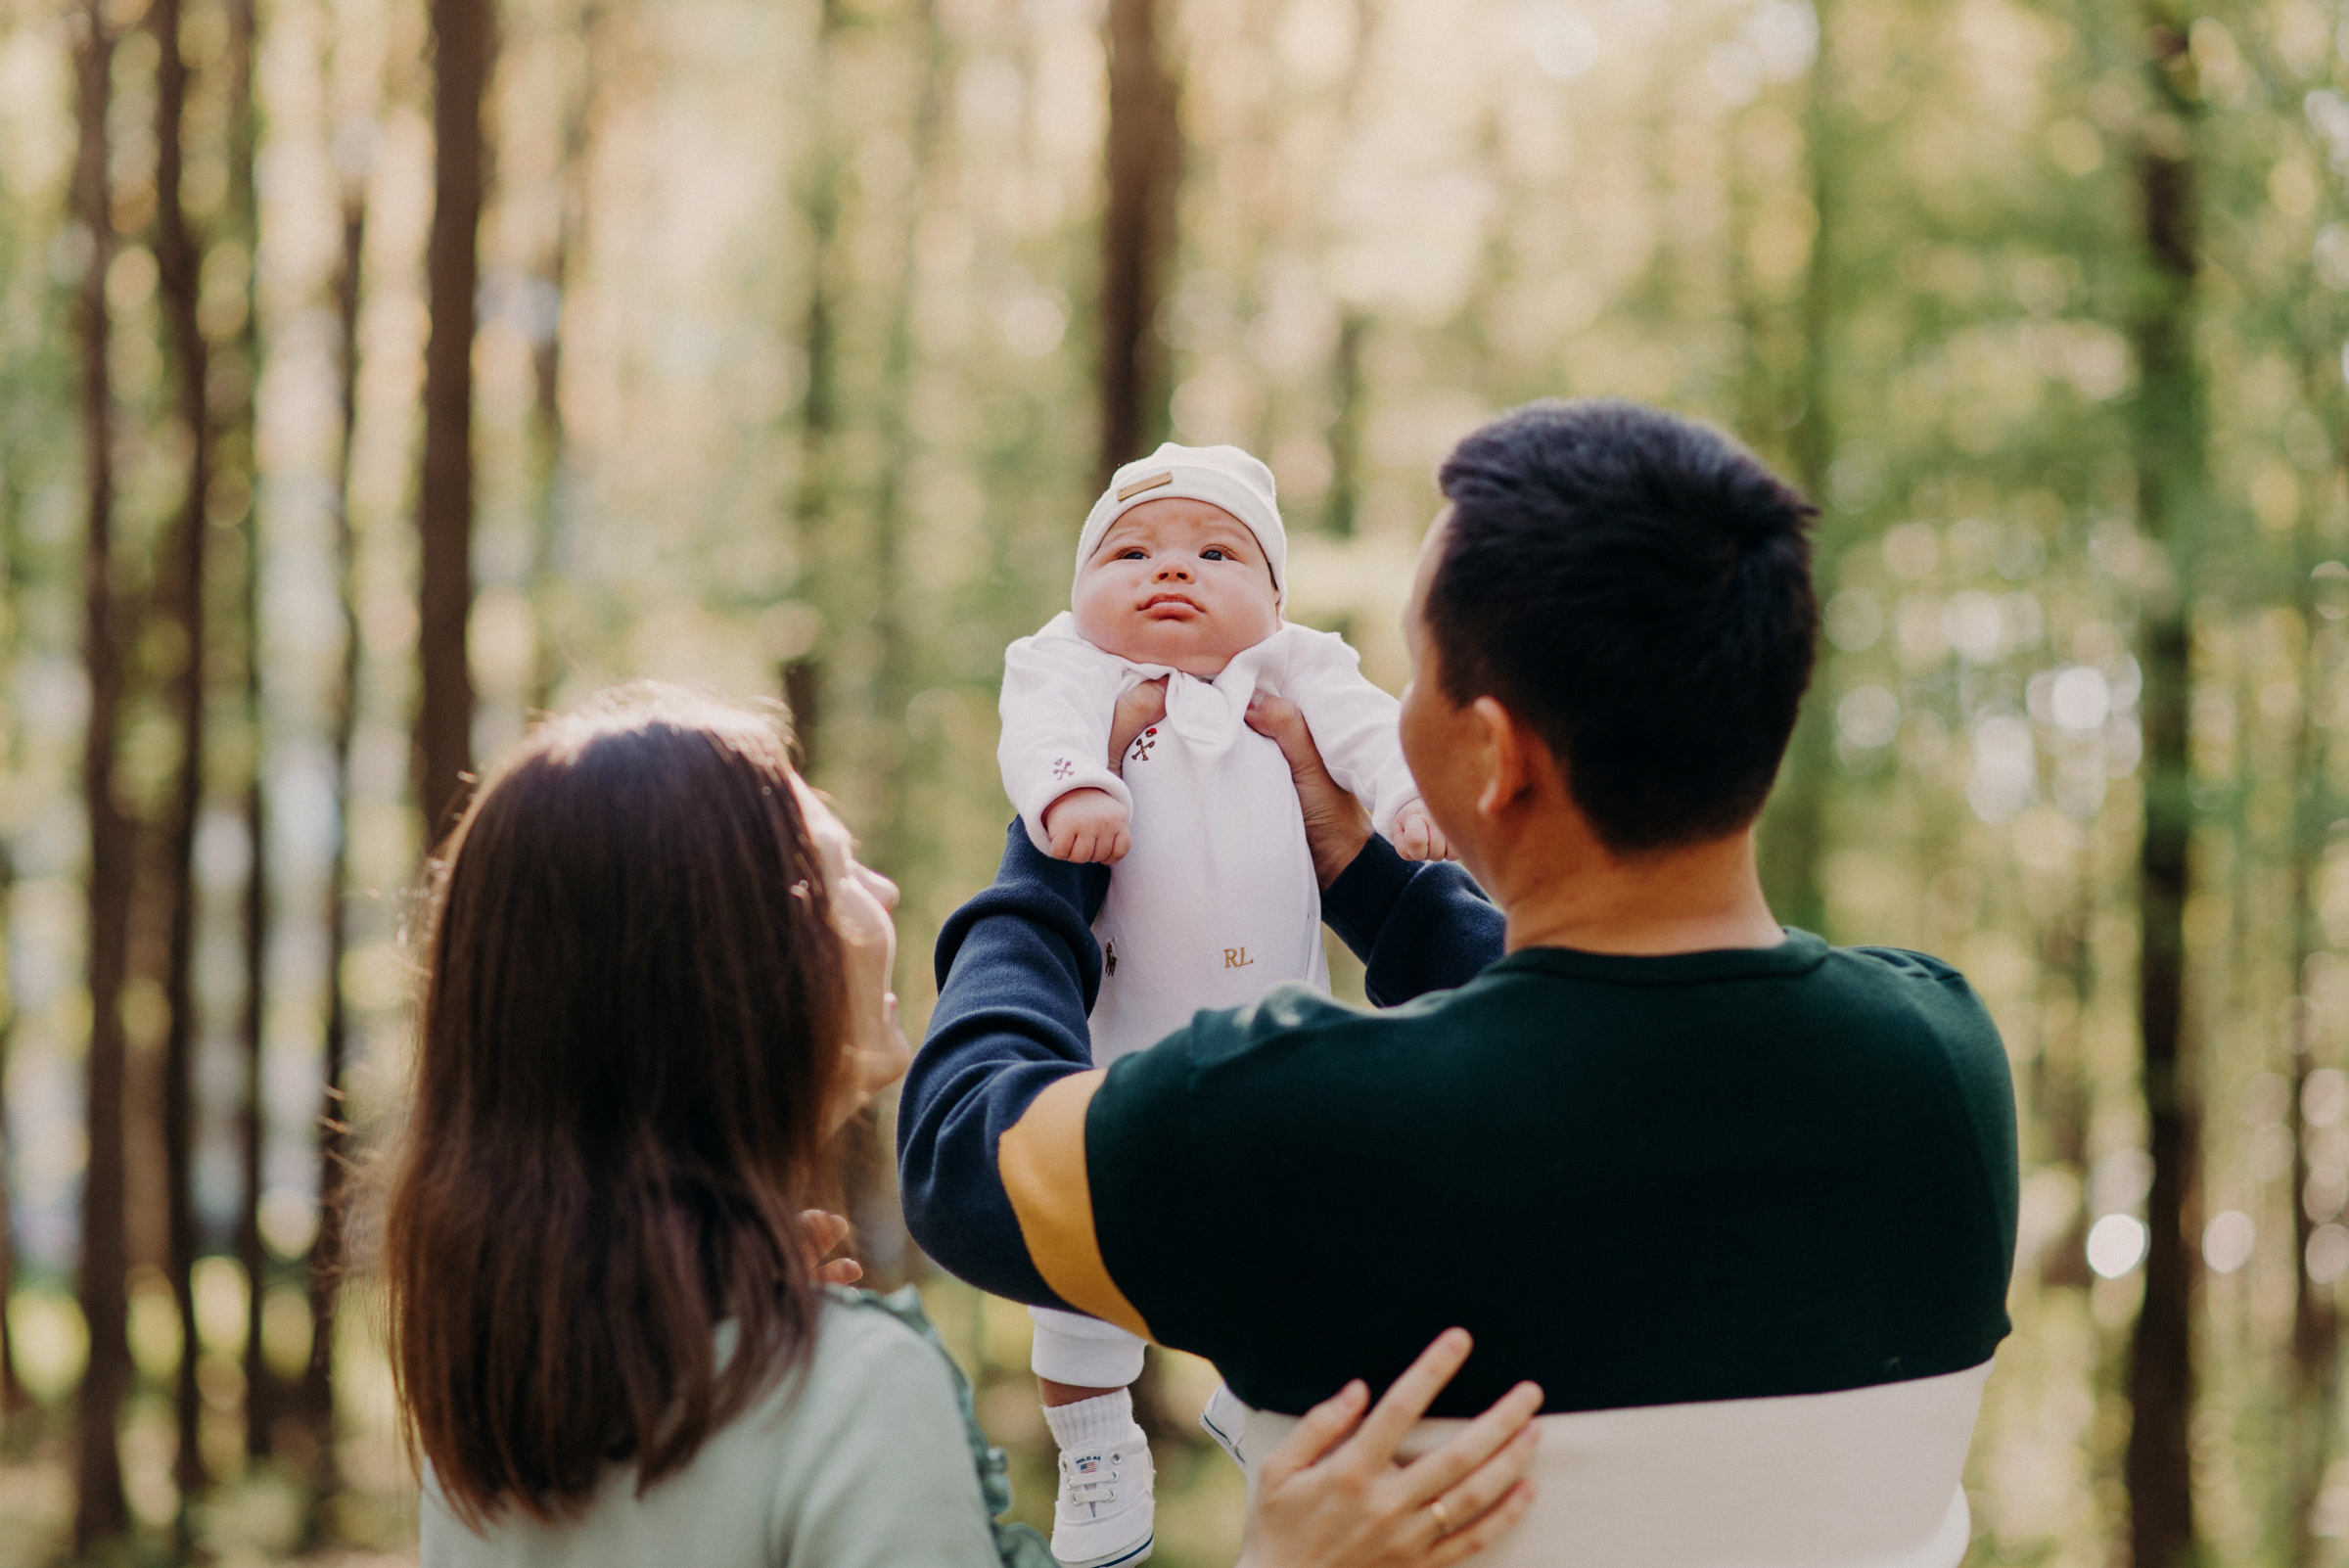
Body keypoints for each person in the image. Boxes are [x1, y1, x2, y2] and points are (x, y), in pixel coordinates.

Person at [899, 399, 2021, 1567]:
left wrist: (1051, 860)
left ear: (1489, 751)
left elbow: (958, 1150)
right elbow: (1625, 1042)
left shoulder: (1295, 1123)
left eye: (1417, 671)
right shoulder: (1942, 1058)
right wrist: (1372, 884)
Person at [384, 684, 1542, 1568]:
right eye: (829, 866)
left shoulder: (490, 1400)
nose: (882, 892)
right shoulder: (841, 1391)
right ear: (728, 968)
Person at [997, 440, 1440, 1567]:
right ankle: (1096, 1449)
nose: (1170, 571)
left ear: (1276, 598)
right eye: (1130, 552)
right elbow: (1036, 735)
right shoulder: (1070, 665)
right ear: (1083, 587)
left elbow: (1369, 732)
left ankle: (1266, 1396)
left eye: (1215, 551)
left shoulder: (1296, 667)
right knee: (1077, 1252)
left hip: (1274, 1043)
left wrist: (1403, 802)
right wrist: (1073, 789)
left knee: (1299, 1226)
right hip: (1112, 1048)